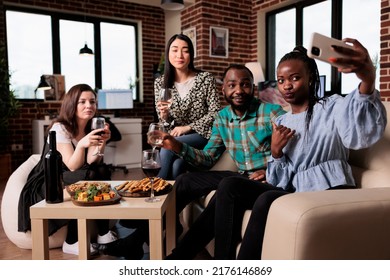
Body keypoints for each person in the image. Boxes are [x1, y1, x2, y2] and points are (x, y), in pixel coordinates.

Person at [169, 38, 387, 260]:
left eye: (295, 78)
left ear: (310, 78)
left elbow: (359, 121)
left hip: (328, 186)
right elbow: (282, 177)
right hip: (293, 187)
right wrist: (275, 152)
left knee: (264, 199)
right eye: (281, 80)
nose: (287, 86)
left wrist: (368, 77)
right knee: (229, 184)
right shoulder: (283, 120)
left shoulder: (330, 107)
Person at [151, 64, 286, 243]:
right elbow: (208, 159)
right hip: (241, 176)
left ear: (253, 88)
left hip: (263, 180)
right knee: (184, 180)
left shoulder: (273, 113)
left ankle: (166, 251)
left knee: (229, 185)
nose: (239, 90)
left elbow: (294, 153)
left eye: (245, 84)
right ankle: (149, 227)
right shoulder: (222, 118)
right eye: (232, 85)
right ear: (223, 90)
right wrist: (177, 146)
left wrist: (270, 170)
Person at [18, 84, 117, 256]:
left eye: (92, 102)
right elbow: (72, 165)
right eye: (83, 102)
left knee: (101, 170)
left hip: (74, 174)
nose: (89, 106)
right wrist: (83, 144)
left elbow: (92, 160)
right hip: (50, 179)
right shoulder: (60, 128)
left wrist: (102, 143)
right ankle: (71, 241)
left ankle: (103, 233)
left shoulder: (89, 126)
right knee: (90, 175)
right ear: (72, 104)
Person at [154, 33, 221, 180]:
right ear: (168, 53)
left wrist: (187, 127)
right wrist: (164, 115)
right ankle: (174, 201)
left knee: (167, 146)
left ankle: (157, 189)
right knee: (178, 165)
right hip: (178, 137)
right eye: (175, 50)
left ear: (191, 54)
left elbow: (215, 112)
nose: (180, 55)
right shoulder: (160, 83)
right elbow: (164, 124)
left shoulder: (205, 79)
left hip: (203, 135)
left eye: (185, 50)